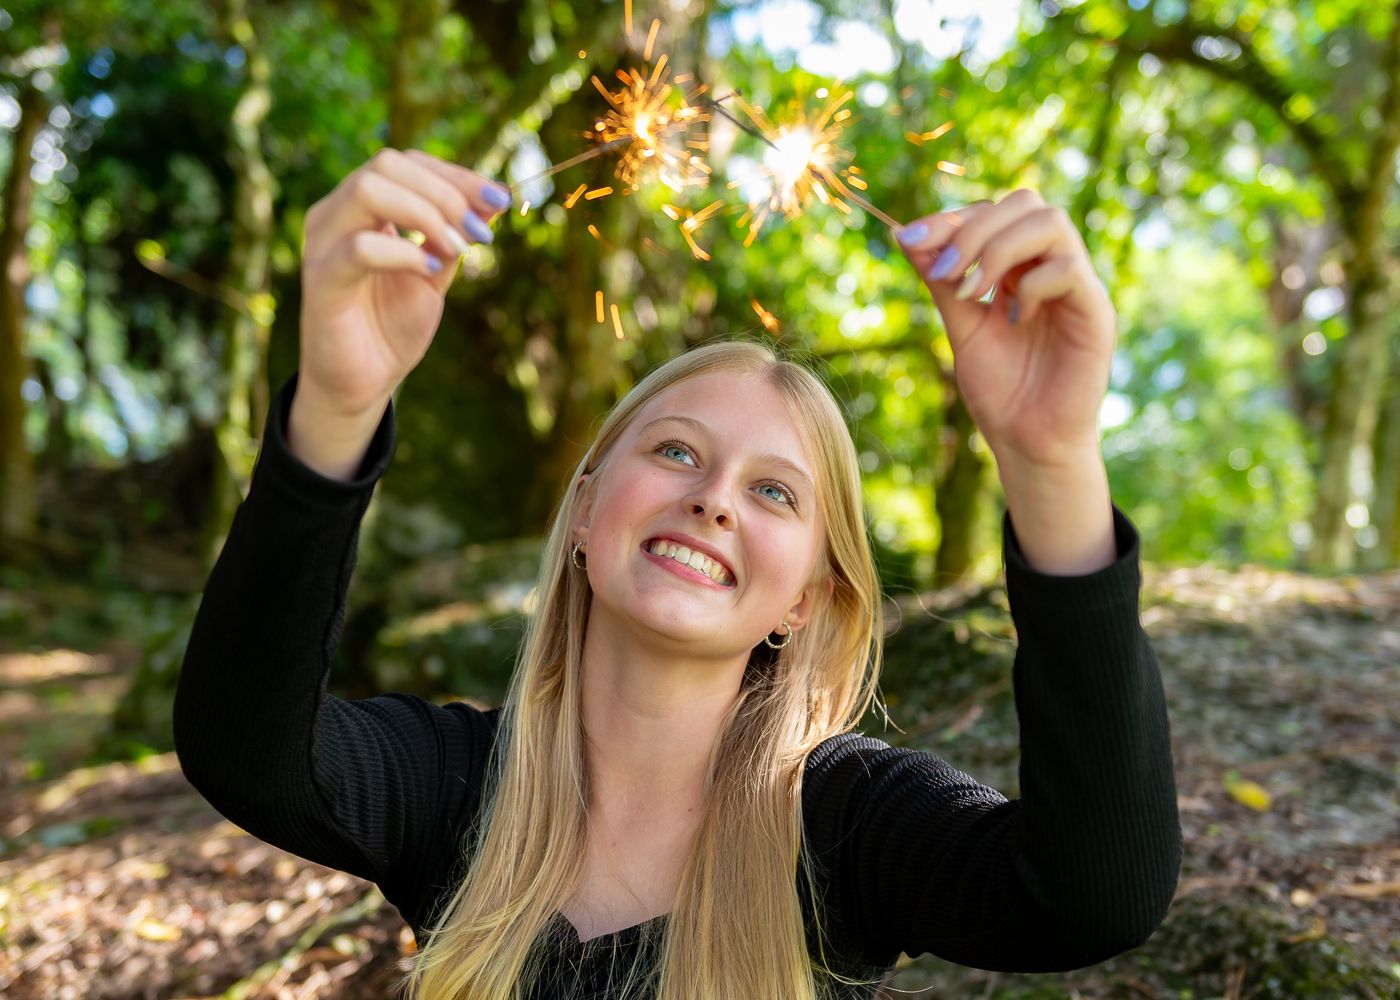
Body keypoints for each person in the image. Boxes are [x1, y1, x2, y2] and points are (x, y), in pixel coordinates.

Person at [173, 148, 1181, 999]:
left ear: (806, 598)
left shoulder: (848, 819)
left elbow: (1093, 896)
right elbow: (246, 747)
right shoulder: (457, 785)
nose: (713, 500)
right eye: (675, 451)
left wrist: (1050, 463)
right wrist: (338, 406)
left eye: (775, 492)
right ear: (583, 511)